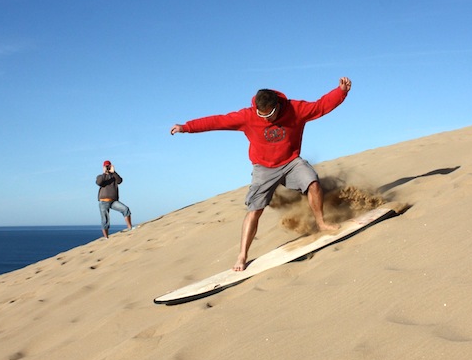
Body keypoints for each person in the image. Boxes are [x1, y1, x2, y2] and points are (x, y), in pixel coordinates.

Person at [171, 76, 352, 271]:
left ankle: (321, 223)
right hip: (263, 168)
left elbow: (320, 106)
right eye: (261, 114)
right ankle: (242, 256)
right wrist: (186, 127)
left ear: (278, 106)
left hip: (291, 162)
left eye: (269, 115)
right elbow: (218, 121)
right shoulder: (248, 116)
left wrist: (340, 92)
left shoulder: (295, 109)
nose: (265, 118)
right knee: (254, 210)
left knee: (313, 182)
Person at [96, 160, 133, 239]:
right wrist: (104, 173)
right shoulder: (100, 176)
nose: (108, 168)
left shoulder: (114, 176)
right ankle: (106, 238)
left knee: (125, 209)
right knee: (105, 220)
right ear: (103, 167)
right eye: (106, 166)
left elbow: (120, 181)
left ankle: (130, 228)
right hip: (103, 202)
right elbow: (99, 182)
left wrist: (114, 172)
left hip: (113, 201)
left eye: (108, 166)